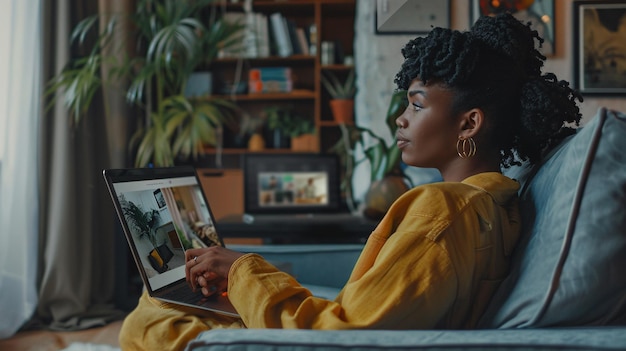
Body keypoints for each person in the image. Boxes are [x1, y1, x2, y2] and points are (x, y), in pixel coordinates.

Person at [119, 13, 582, 350]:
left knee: (153, 314)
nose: (401, 120)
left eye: (417, 105)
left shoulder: (445, 209)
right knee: (179, 299)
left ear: (469, 124)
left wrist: (243, 269)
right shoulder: (496, 202)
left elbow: (343, 334)